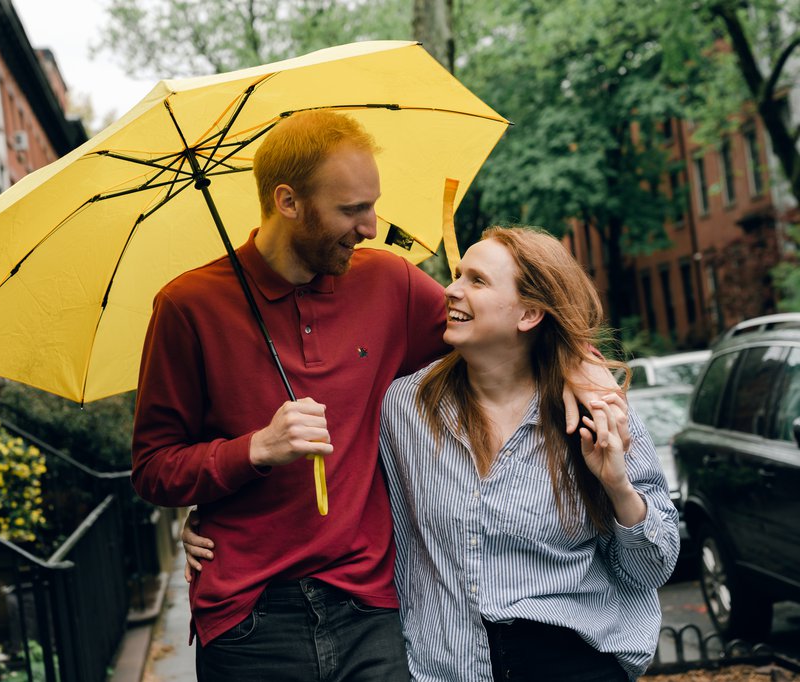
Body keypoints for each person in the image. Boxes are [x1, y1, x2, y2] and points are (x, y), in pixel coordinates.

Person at [134, 111, 618, 681]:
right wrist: (253, 451)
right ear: (288, 202)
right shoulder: (187, 307)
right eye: (351, 209)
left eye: (372, 205)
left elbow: (504, 332)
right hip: (248, 618)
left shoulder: (389, 283)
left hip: (370, 606)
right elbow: (153, 469)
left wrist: (584, 367)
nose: (370, 226)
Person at [379, 226, 679, 681]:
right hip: (454, 665)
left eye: (477, 281)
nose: (450, 291)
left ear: (530, 314)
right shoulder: (407, 408)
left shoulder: (594, 410)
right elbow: (397, 547)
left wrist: (617, 485)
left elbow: (652, 569)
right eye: (457, 276)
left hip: (576, 661)